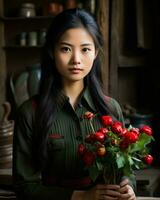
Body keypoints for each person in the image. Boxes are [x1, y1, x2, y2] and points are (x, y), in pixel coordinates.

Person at [13, 8, 136, 200]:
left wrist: (128, 186)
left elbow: (125, 169)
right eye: (65, 49)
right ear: (52, 52)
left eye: (85, 49)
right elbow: (24, 186)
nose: (76, 60)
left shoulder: (111, 108)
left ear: (96, 52)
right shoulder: (29, 113)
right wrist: (80, 196)